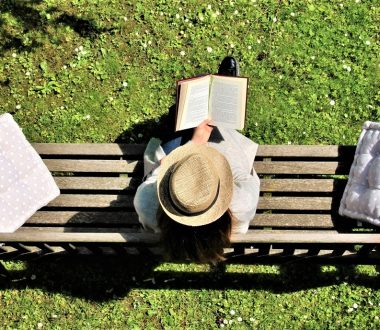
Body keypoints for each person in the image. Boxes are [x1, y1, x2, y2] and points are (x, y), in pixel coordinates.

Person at [133, 57, 260, 264]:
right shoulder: (240, 202)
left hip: (182, 172)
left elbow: (158, 170)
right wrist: (204, 146)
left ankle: (183, 114)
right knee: (218, 131)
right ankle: (220, 96)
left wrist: (194, 144)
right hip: (214, 164)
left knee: (180, 127)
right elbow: (248, 176)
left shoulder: (147, 201)